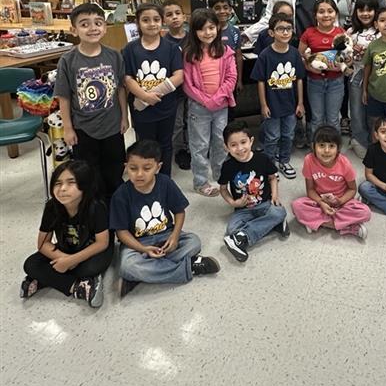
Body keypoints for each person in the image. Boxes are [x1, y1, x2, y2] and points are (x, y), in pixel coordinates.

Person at [110, 140, 220, 297]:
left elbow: (179, 212)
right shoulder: (120, 195)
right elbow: (121, 232)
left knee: (193, 242)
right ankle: (189, 268)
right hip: (137, 243)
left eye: (147, 168)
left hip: (166, 236)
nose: (139, 174)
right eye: (133, 168)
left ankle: (141, 275)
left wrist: (174, 237)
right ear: (126, 167)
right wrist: (143, 249)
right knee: (127, 265)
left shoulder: (165, 183)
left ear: (158, 167)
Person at [54, 2, 128, 201]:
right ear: (74, 30)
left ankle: (115, 205)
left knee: (114, 169)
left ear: (105, 27)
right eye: (85, 24)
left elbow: (121, 88)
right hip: (83, 128)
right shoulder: (67, 61)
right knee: (88, 173)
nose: (93, 28)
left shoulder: (114, 55)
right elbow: (64, 96)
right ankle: (95, 208)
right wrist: (68, 128)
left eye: (98, 23)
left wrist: (125, 117)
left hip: (112, 125)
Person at [21, 161, 112, 308]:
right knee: (30, 264)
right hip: (67, 248)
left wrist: (71, 261)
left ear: (84, 185)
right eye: (57, 183)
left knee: (89, 268)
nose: (62, 189)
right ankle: (79, 287)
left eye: (71, 182)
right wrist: (65, 259)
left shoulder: (96, 206)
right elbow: (42, 244)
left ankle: (43, 279)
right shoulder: (52, 207)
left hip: (93, 250)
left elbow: (102, 243)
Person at [123, 3, 183, 177]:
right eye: (146, 20)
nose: (152, 24)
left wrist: (156, 92)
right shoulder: (130, 49)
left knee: (165, 144)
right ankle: (147, 178)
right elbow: (127, 78)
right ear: (138, 23)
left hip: (166, 107)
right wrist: (144, 96)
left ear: (162, 21)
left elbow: (179, 76)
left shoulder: (172, 48)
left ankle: (164, 179)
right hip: (141, 108)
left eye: (156, 19)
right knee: (144, 146)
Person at [331, 0, 386, 136]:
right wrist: (346, 40)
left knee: (364, 84)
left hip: (367, 39)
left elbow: (382, 15)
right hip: (342, 39)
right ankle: (347, 120)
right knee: (344, 82)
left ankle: (370, 129)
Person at [183, 8, 237, 196]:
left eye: (211, 27)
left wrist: (217, 98)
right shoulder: (189, 54)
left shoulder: (226, 51)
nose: (207, 33)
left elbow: (231, 78)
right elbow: (188, 85)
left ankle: (220, 177)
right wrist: (206, 100)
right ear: (194, 31)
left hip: (221, 106)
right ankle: (200, 182)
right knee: (199, 146)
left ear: (218, 28)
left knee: (221, 143)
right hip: (199, 108)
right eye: (202, 29)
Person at [218, 120, 289, 263]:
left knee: (280, 211)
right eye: (233, 145)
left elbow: (273, 178)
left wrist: (275, 196)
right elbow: (223, 189)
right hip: (242, 210)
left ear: (251, 141)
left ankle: (243, 237)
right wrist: (233, 202)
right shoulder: (227, 166)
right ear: (226, 147)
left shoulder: (262, 158)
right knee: (231, 230)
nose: (240, 148)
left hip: (265, 204)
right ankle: (272, 224)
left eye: (243, 142)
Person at [251, 13, 305, 179]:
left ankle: (284, 161)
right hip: (272, 105)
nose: (285, 32)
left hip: (290, 105)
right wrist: (263, 105)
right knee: (272, 136)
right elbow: (260, 81)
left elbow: (299, 79)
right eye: (280, 29)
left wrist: (300, 103)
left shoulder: (295, 54)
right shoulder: (265, 55)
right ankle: (270, 166)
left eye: (288, 28)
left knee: (288, 135)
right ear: (271, 32)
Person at [292, 125, 371, 238]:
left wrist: (340, 201)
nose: (326, 150)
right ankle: (347, 226)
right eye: (321, 145)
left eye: (331, 146)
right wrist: (321, 203)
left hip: (341, 202)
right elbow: (310, 190)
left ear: (338, 149)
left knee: (365, 212)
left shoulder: (344, 163)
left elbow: (352, 189)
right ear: (313, 147)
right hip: (319, 201)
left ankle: (317, 222)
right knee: (297, 205)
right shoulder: (309, 160)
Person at [299, 0, 346, 136]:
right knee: (317, 119)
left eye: (330, 11)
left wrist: (341, 66)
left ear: (336, 14)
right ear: (315, 15)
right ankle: (316, 146)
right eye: (321, 12)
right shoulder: (308, 33)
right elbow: (300, 56)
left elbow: (348, 57)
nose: (326, 15)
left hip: (336, 82)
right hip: (314, 82)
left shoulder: (341, 33)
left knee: (333, 119)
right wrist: (309, 67)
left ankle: (334, 146)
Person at [347, 0, 379, 158]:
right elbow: (343, 55)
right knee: (357, 110)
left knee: (373, 111)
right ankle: (358, 140)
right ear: (356, 12)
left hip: (378, 76)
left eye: (369, 10)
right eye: (361, 10)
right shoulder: (351, 31)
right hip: (357, 74)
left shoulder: (381, 30)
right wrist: (351, 52)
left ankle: (374, 141)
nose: (365, 14)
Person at [163, 1, 190, 171]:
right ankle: (180, 150)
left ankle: (192, 147)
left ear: (184, 16)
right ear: (163, 20)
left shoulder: (193, 37)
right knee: (178, 122)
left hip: (194, 88)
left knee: (192, 120)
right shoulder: (164, 42)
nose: (174, 17)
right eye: (169, 14)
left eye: (177, 13)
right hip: (176, 91)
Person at [208, 0, 243, 96]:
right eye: (217, 8)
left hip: (231, 79)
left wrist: (239, 80)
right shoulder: (207, 31)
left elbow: (238, 56)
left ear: (230, 9)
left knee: (231, 104)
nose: (222, 11)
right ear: (210, 10)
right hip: (212, 79)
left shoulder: (235, 31)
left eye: (225, 7)